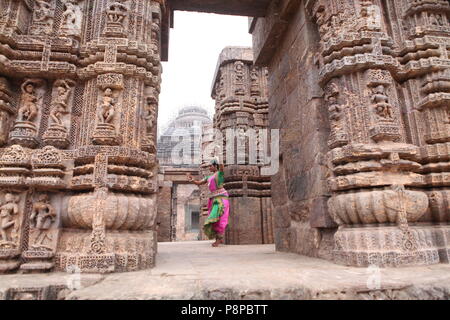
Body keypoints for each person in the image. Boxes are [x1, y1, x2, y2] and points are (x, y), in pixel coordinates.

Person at [187, 160, 230, 247]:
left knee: (220, 219)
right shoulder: (209, 177)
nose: (209, 167)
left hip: (222, 198)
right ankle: (218, 238)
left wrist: (219, 158)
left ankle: (219, 239)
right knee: (213, 218)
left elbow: (221, 167)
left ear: (215, 166)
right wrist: (193, 180)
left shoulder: (220, 173)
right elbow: (200, 182)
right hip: (214, 199)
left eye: (211, 166)